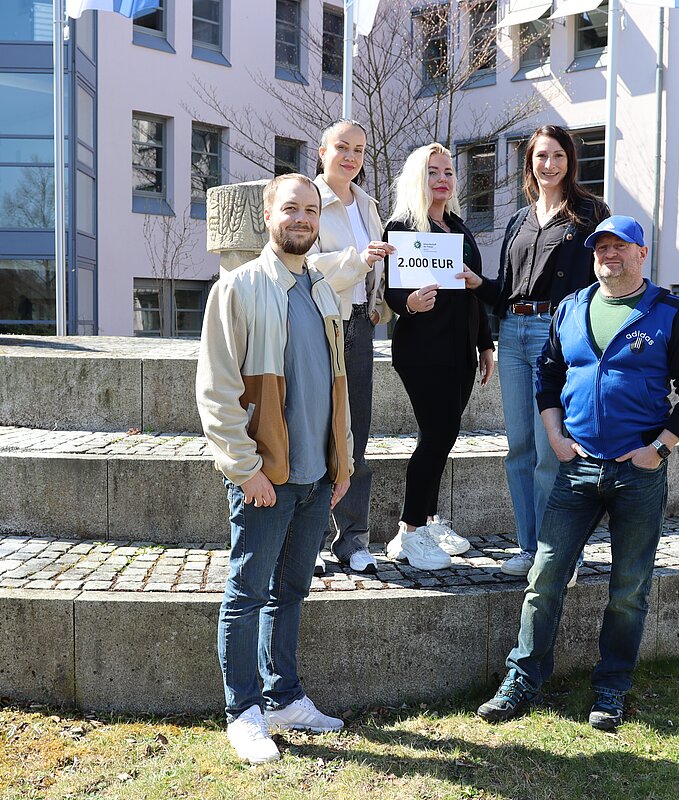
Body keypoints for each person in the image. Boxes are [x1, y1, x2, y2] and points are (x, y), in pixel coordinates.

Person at [477, 215, 679, 730]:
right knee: (544, 577)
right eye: (601, 247)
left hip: (639, 472)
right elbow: (547, 370)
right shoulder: (572, 307)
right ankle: (522, 679)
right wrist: (555, 435)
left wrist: (661, 446)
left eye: (620, 247)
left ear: (641, 253)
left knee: (629, 588)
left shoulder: (669, 312)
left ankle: (610, 690)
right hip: (578, 469)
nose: (610, 255)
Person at [195, 173, 354, 765]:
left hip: (315, 480)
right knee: (246, 593)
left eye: (311, 211)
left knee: (292, 589)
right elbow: (216, 392)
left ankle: (283, 697)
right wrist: (245, 469)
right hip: (266, 478)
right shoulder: (236, 290)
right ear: (268, 215)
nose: (302, 219)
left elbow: (337, 391)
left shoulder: (323, 291)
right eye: (291, 209)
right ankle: (243, 712)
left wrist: (343, 464)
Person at [489, 125, 611, 577]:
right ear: (530, 163)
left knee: (551, 448)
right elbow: (503, 287)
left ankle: (562, 551)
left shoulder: (589, 211)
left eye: (557, 155)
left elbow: (604, 274)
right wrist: (471, 281)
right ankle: (529, 547)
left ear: (569, 160)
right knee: (518, 447)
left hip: (555, 332)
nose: (549, 164)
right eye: (541, 156)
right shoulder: (519, 220)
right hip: (513, 331)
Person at [382, 143, 498, 570]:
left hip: (461, 351)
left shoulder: (461, 229)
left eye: (449, 172)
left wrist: (485, 343)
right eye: (434, 172)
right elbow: (389, 292)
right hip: (421, 352)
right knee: (437, 436)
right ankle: (408, 533)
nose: (444, 179)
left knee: (443, 437)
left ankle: (427, 521)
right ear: (418, 178)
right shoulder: (402, 227)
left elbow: (474, 292)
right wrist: (409, 302)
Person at [306, 119, 394, 576]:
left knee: (356, 435)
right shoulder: (310, 202)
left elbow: (376, 269)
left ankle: (353, 539)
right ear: (322, 151)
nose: (351, 157)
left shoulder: (367, 204)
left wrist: (380, 307)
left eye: (359, 150)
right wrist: (359, 261)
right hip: (324, 326)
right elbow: (308, 265)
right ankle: (313, 539)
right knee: (321, 434)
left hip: (361, 326)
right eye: (342, 147)